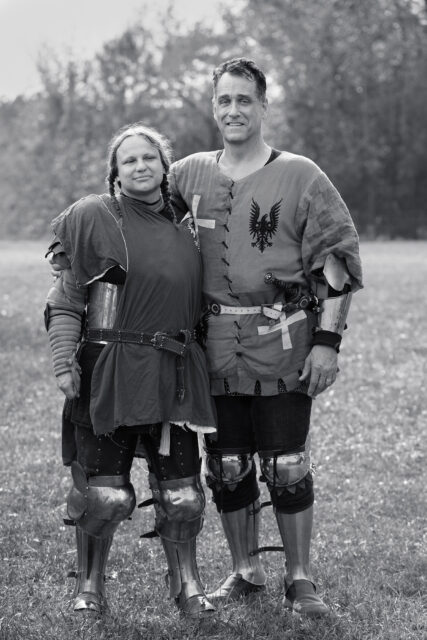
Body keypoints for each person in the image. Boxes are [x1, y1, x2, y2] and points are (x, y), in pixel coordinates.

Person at [168, 58, 363, 617]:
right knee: (226, 464)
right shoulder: (185, 174)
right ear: (214, 107)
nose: (233, 110)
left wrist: (328, 342)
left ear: (263, 106)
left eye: (244, 100)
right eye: (224, 100)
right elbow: (139, 218)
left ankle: (300, 578)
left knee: (287, 462)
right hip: (212, 345)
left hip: (283, 340)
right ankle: (245, 569)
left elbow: (336, 261)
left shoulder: (302, 175)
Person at [45, 123, 217, 617]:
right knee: (106, 496)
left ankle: (187, 584)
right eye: (129, 160)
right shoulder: (95, 217)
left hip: (175, 369)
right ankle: (89, 585)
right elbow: (66, 300)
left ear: (165, 166)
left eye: (149, 158)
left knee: (183, 497)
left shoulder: (191, 225)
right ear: (115, 173)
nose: (140, 166)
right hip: (109, 369)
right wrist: (64, 362)